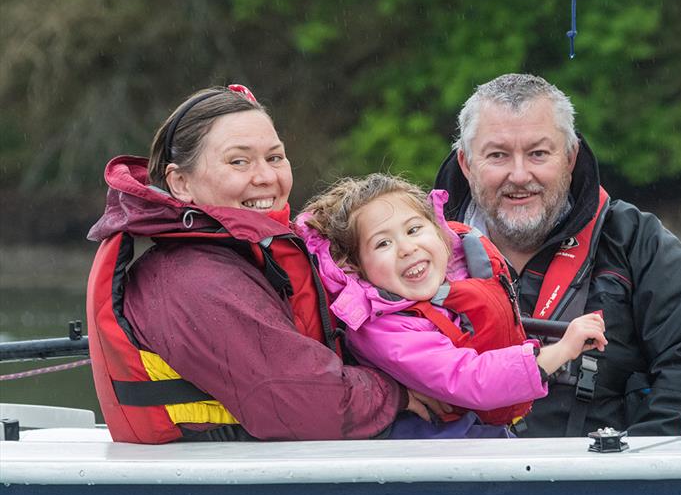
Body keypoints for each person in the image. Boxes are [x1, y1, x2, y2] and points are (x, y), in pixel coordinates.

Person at [85, 84, 446, 444]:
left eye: (274, 158)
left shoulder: (248, 253)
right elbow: (301, 403)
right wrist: (395, 392)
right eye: (238, 161)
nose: (266, 177)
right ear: (180, 183)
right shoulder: (195, 279)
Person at [435, 73, 681, 437]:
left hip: (603, 483)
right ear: (466, 164)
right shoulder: (404, 251)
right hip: (453, 481)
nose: (519, 174)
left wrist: (616, 475)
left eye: (538, 153)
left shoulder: (639, 243)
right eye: (498, 155)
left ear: (570, 157)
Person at [295, 173, 607, 428]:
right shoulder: (382, 330)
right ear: (357, 268)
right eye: (383, 243)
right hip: (431, 457)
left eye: (414, 229)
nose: (406, 248)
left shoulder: (449, 288)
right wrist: (562, 350)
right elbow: (471, 380)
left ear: (441, 232)